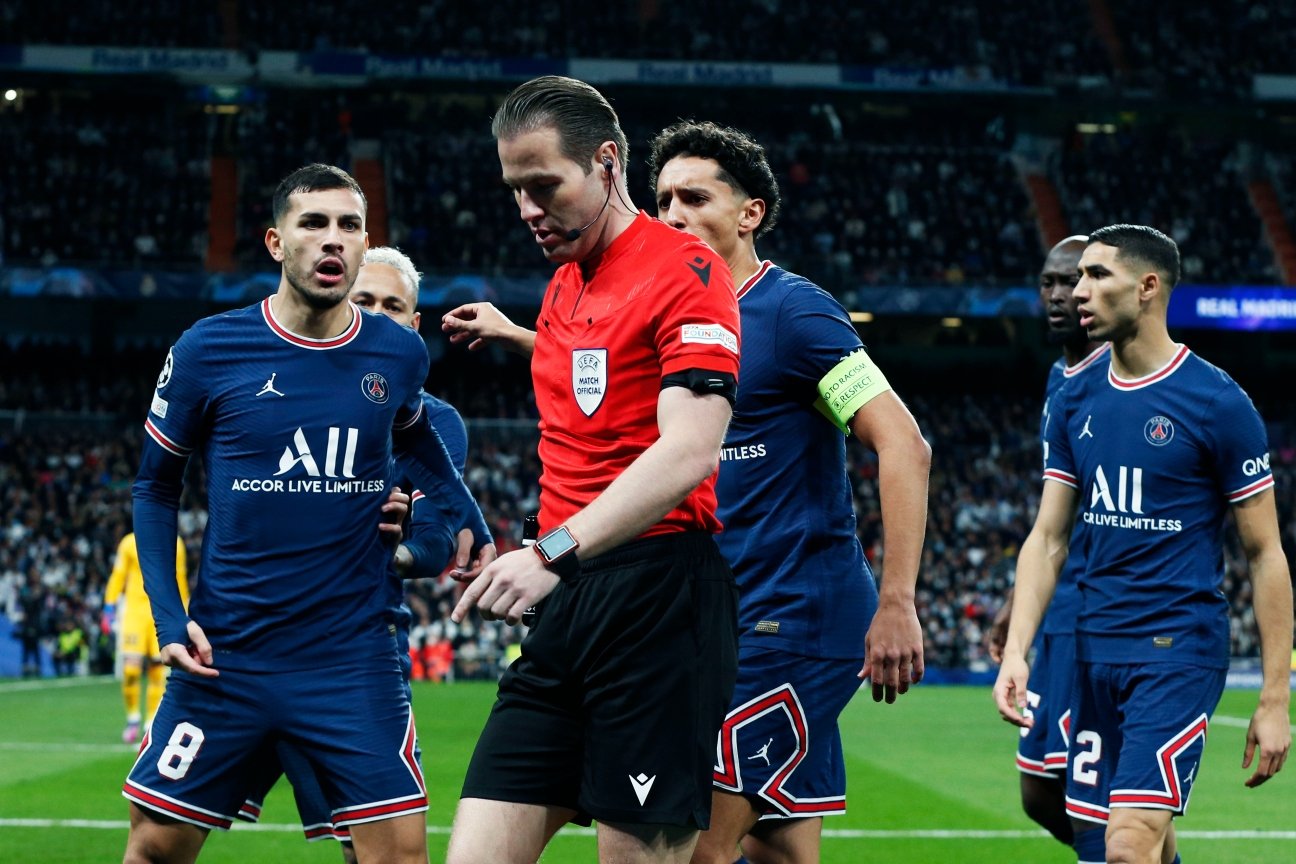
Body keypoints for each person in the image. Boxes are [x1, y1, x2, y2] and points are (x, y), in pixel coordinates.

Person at [121, 163, 489, 864]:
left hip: (350, 657)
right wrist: (169, 619)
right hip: (228, 652)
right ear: (275, 241)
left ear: (364, 241)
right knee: (155, 847)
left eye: (349, 225)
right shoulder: (208, 349)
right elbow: (154, 487)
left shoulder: (397, 352)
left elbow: (416, 432)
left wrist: (465, 510)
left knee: (396, 855)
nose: (333, 239)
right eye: (313, 223)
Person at [440, 76, 741, 864]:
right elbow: (601, 372)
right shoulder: (565, 285)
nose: (527, 209)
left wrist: (549, 552)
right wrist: (518, 335)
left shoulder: (688, 270)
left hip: (657, 600)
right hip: (566, 605)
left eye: (544, 185)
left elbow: (691, 449)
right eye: (515, 190)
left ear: (607, 163)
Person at [645, 120, 930, 864]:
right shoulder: (675, 320)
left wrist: (897, 601)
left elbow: (904, 443)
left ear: (750, 213)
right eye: (663, 200)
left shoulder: (794, 313)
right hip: (721, 620)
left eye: (694, 198)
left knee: (695, 846)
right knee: (782, 854)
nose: (672, 215)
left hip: (794, 621)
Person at [993, 225, 1292, 864]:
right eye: (1077, 277)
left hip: (1176, 650)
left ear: (1148, 287)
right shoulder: (1074, 396)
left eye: (1097, 275)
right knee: (1107, 841)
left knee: (1126, 845)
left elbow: (1265, 554)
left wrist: (1274, 697)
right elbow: (1048, 537)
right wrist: (1017, 650)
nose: (1078, 291)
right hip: (1093, 650)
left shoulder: (1217, 402)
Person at [233, 245, 480, 862]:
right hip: (249, 638)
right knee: (160, 834)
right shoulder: (271, 389)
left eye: (392, 306)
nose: (374, 314)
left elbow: (437, 542)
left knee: (371, 850)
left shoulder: (435, 423)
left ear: (413, 325)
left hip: (356, 648)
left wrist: (391, 554)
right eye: (363, 299)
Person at [983, 234, 1107, 845]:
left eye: (1072, 280)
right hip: (1060, 604)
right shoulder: (1060, 376)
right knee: (1039, 792)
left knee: (1091, 799)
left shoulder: (1119, 377)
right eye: (1049, 282)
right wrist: (1020, 601)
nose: (1060, 294)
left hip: (1099, 611)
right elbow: (1056, 512)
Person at [104, 531, 189, 743]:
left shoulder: (176, 542)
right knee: (130, 670)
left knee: (157, 670)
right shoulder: (129, 542)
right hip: (134, 613)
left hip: (160, 613)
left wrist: (184, 612)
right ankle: (132, 717)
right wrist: (109, 605)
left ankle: (150, 721)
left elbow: (180, 579)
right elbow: (118, 575)